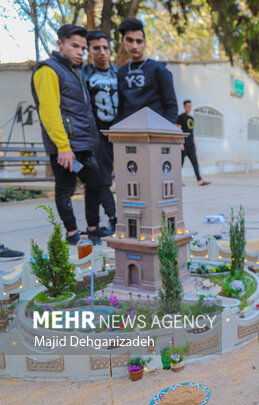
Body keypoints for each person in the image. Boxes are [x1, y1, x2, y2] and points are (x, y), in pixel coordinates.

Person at [31, 24, 109, 245]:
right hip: (66, 147)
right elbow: (49, 111)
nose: (80, 52)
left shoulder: (76, 71)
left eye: (83, 48)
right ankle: (73, 232)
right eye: (74, 46)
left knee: (95, 183)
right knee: (65, 188)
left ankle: (93, 229)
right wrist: (63, 147)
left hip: (84, 144)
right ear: (60, 44)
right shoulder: (48, 70)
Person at [83, 30, 118, 233]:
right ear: (89, 51)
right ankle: (113, 216)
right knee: (102, 178)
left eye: (105, 47)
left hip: (120, 133)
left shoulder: (118, 73)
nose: (102, 52)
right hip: (98, 135)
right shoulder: (85, 74)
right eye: (97, 48)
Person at [116, 18, 178, 123]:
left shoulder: (159, 70)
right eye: (130, 40)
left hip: (155, 132)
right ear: (123, 41)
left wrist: (165, 133)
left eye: (138, 41)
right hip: (129, 132)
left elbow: (171, 107)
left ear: (144, 43)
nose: (134, 46)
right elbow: (120, 108)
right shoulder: (120, 73)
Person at [176, 100, 210, 186]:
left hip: (191, 145)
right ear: (184, 107)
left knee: (195, 162)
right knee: (180, 164)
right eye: (187, 106)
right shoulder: (181, 117)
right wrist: (180, 143)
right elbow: (178, 130)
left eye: (190, 106)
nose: (189, 108)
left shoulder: (191, 118)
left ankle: (200, 180)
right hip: (184, 144)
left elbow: (191, 132)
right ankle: (177, 181)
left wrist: (194, 144)